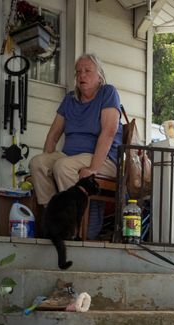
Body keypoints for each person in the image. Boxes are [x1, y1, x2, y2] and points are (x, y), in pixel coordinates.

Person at [29, 53, 122, 240]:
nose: (81, 76)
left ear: (100, 76)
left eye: (88, 71)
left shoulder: (108, 93)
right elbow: (53, 134)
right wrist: (47, 163)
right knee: (38, 163)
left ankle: (73, 229)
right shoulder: (70, 99)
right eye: (78, 72)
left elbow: (109, 132)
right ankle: (55, 218)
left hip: (102, 158)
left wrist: (93, 168)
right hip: (70, 156)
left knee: (63, 167)